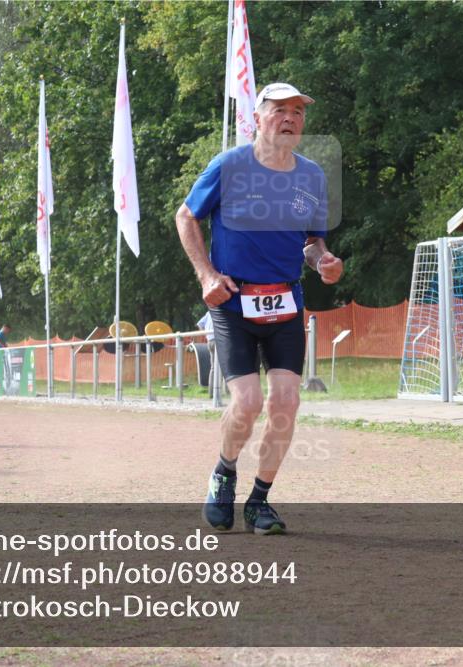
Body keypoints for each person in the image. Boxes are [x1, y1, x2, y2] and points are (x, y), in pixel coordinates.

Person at [175, 83, 344, 534]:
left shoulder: (310, 176)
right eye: (280, 110)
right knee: (248, 402)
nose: (290, 118)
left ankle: (259, 502)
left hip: (286, 301)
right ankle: (224, 472)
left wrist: (323, 262)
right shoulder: (229, 166)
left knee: (286, 401)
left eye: (298, 112)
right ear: (258, 117)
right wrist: (207, 276)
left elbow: (312, 240)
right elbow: (186, 216)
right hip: (233, 302)